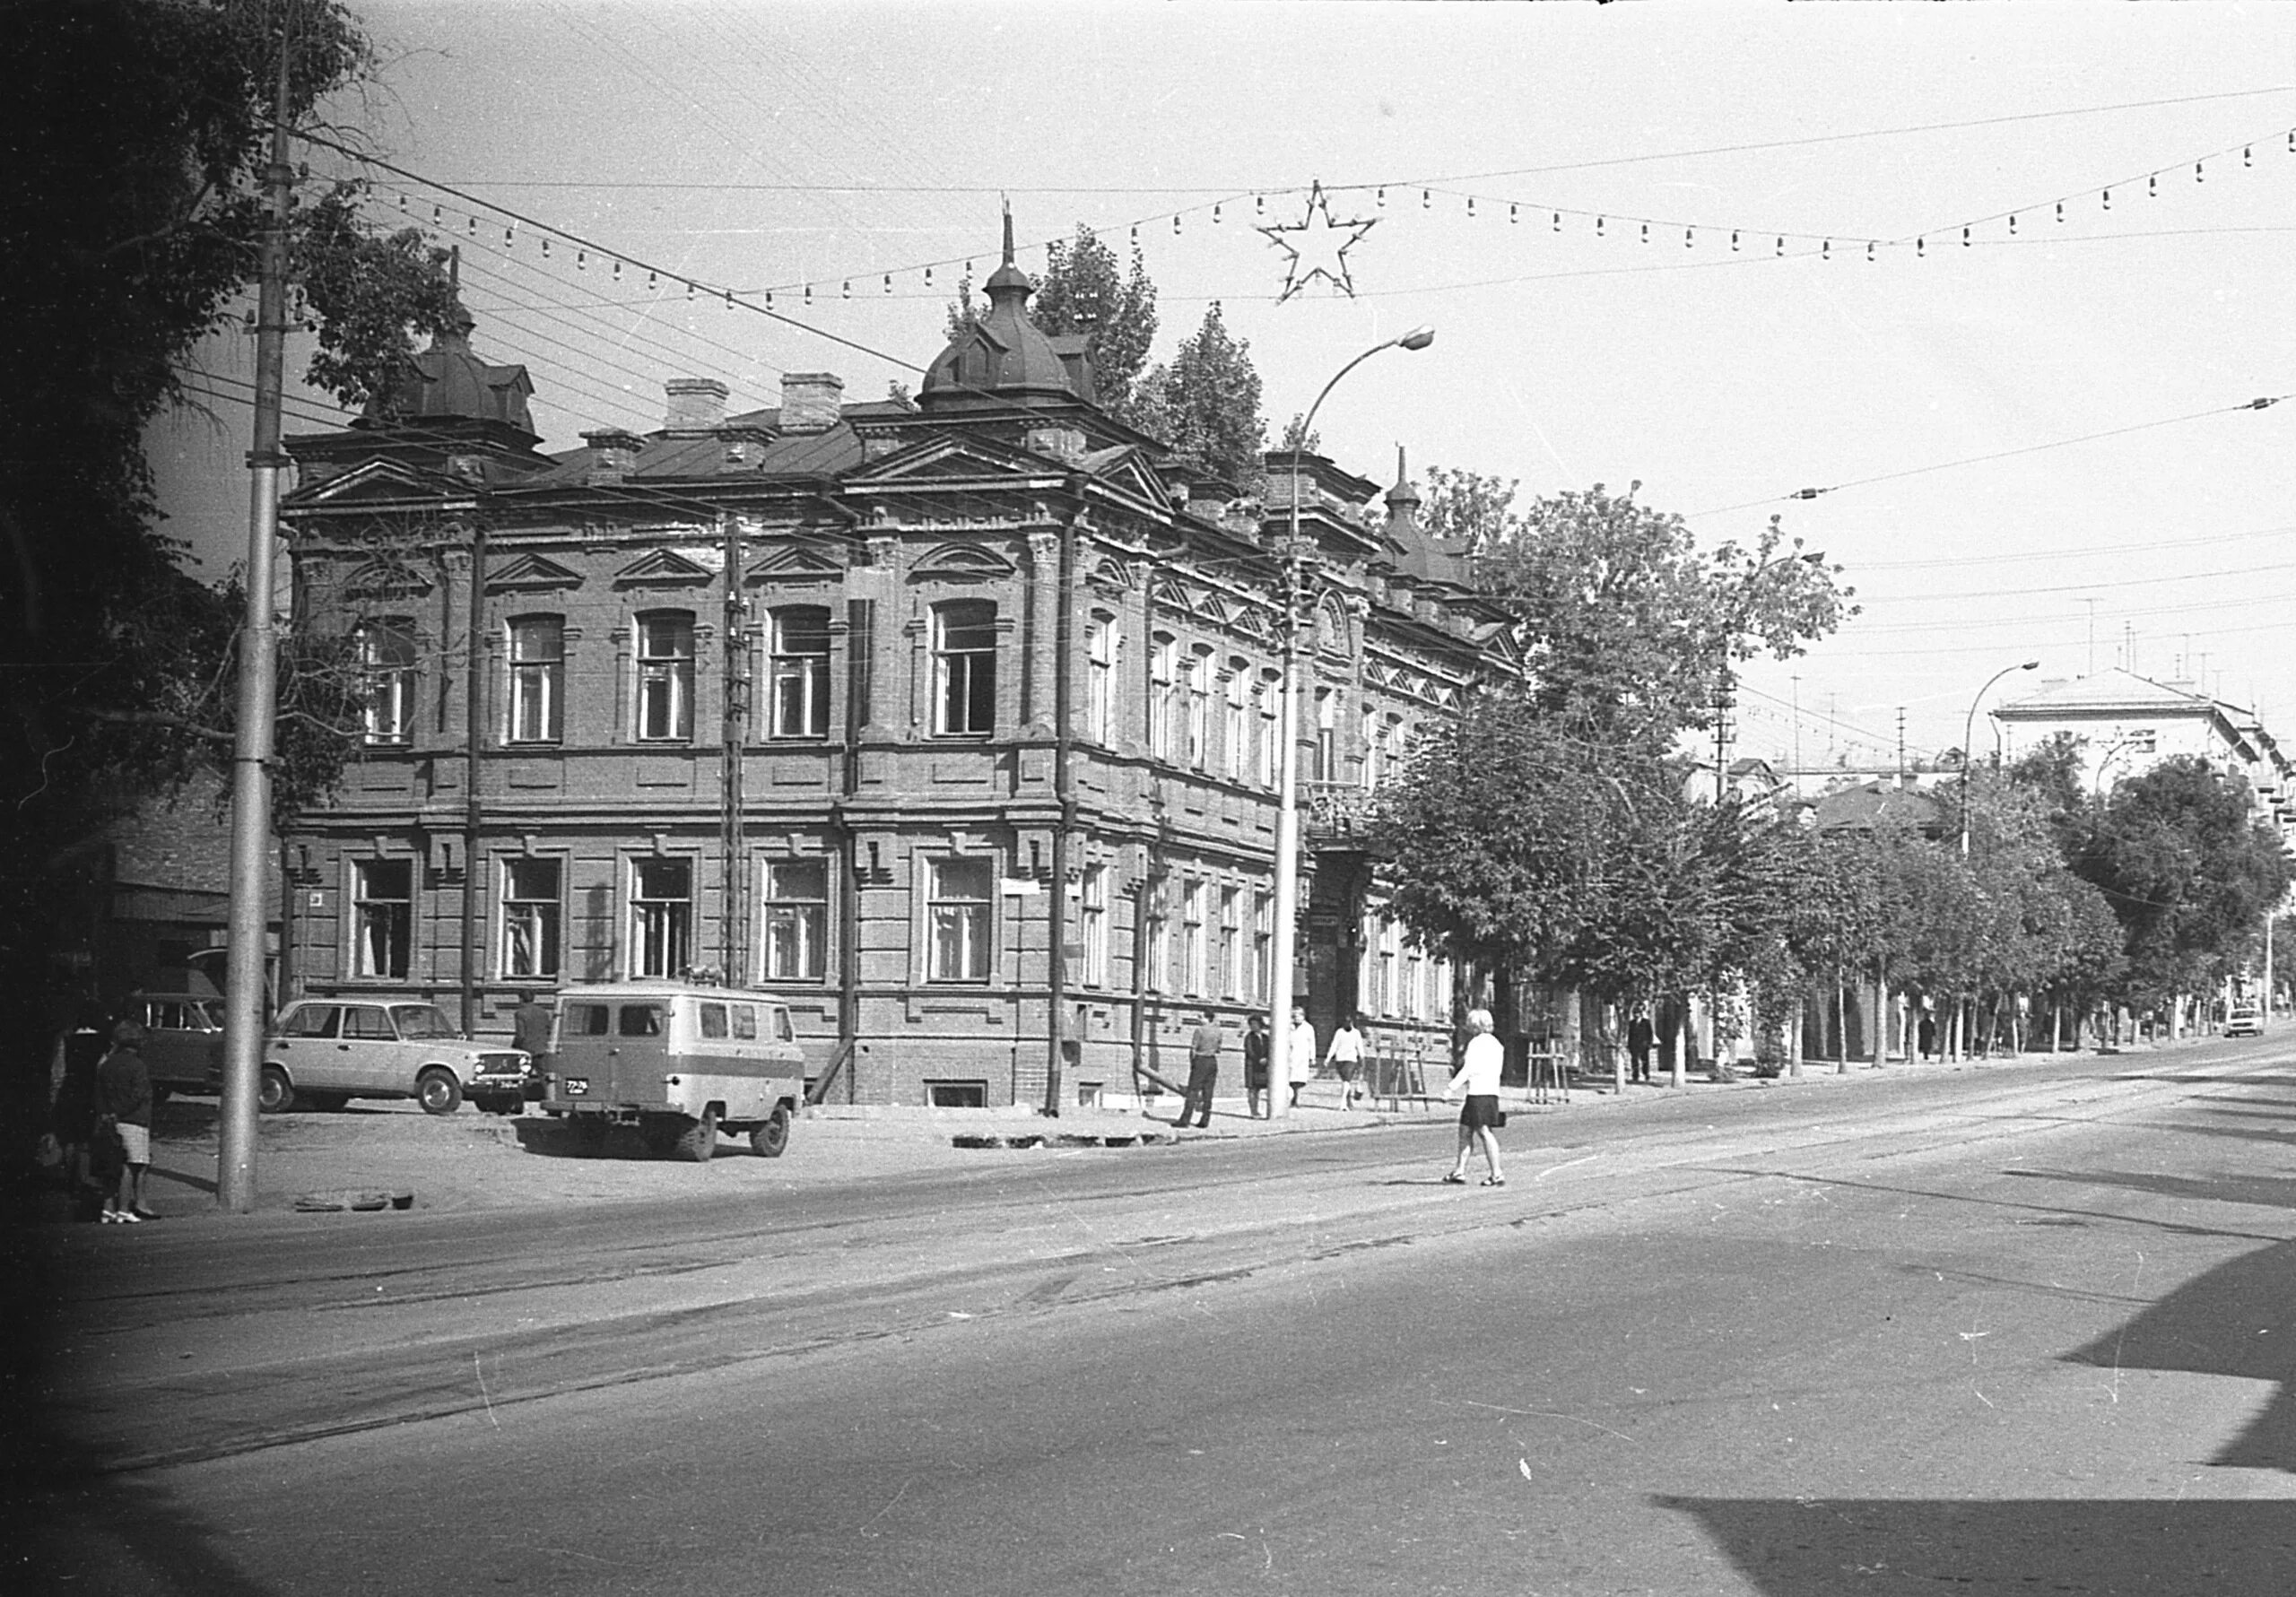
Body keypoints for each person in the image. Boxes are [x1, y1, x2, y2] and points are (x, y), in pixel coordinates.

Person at [96, 1018, 155, 1223]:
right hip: (134, 1120)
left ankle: (108, 1208)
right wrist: (120, 1111)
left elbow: (99, 1093)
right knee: (131, 1165)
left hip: (109, 1121)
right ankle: (123, 1209)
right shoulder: (137, 1065)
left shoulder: (107, 1064)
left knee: (112, 1164)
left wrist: (107, 1113)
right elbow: (138, 1095)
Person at [1441, 1007, 1507, 1187]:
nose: (1469, 1028)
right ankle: (1459, 1171)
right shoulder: (1497, 1044)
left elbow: (1468, 1069)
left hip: (1478, 1093)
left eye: (1471, 1025)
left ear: (1476, 1026)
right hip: (1491, 1092)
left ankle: (1496, 1173)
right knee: (1465, 1130)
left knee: (1484, 1132)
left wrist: (1450, 1088)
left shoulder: (1477, 1043)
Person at [1181, 1011, 1225, 1129]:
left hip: (1200, 1060)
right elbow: (1219, 1049)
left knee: (1193, 1091)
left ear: (1207, 1018)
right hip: (1212, 1061)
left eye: (1201, 1017)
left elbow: (1193, 1049)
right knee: (1208, 1092)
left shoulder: (1199, 1030)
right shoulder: (1218, 1031)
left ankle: (1185, 1120)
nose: (1198, 1019)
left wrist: (1193, 1063)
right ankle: (1205, 1120)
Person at [1325, 1012, 1368, 1107]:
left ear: (1352, 1022)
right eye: (1346, 1022)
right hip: (1340, 1059)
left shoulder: (1356, 1033)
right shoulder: (1339, 1032)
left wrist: (1362, 1057)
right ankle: (1348, 1100)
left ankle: (1343, 1102)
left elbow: (1359, 1046)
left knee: (1347, 1080)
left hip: (1351, 1059)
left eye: (1349, 1022)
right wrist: (1328, 1058)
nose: (1348, 1024)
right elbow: (1334, 1045)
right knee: (1345, 1081)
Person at [1286, 1005, 1317, 1108]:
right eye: (1294, 1016)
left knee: (1300, 1080)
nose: (1297, 1018)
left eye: (1299, 1016)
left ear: (1303, 1016)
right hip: (1291, 1056)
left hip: (1302, 1057)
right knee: (1291, 1080)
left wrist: (1312, 1057)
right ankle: (1293, 1099)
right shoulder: (1289, 1027)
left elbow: (1312, 1043)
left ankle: (1297, 1099)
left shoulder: (1308, 1028)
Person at [1242, 1013, 1272, 1119]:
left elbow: (1270, 1049)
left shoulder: (1266, 1037)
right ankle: (1253, 1111)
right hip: (1252, 1066)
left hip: (1264, 1067)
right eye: (1251, 1024)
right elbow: (1250, 1051)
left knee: (1260, 1089)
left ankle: (1261, 1110)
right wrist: (1259, 1059)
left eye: (1256, 1024)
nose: (1253, 1026)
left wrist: (1267, 1059)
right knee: (1252, 1089)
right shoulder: (1249, 1037)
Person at [512, 993, 554, 1059]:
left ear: (521, 999)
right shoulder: (543, 1012)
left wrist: (514, 1047)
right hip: (542, 1049)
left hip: (527, 1049)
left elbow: (521, 1035)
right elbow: (549, 1030)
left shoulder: (520, 1013)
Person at [1627, 1011, 1655, 1084]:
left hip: (1644, 1045)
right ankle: (1635, 1075)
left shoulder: (1646, 1022)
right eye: (1634, 1014)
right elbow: (1630, 1035)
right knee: (1634, 1060)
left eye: (1637, 1013)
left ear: (1640, 1014)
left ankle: (1646, 1074)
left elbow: (1650, 1034)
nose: (1636, 1015)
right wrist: (1629, 1045)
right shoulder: (1632, 1023)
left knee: (1645, 1060)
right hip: (1634, 1045)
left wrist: (1649, 1044)